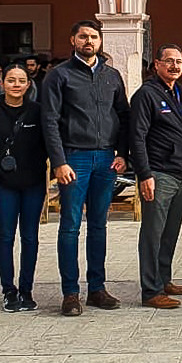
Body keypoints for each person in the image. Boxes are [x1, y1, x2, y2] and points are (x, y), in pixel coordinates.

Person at [41, 20, 130, 317]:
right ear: (73, 40)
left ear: (100, 41)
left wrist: (123, 154)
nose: (88, 41)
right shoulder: (59, 76)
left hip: (106, 159)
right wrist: (59, 161)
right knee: (70, 225)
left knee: (99, 225)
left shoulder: (111, 76)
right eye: (83, 37)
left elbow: (123, 116)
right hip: (74, 158)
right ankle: (70, 292)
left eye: (93, 37)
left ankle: (97, 288)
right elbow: (49, 121)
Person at [129, 44, 182, 309]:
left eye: (179, 61)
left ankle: (164, 279)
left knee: (169, 233)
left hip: (180, 174)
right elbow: (137, 137)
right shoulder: (146, 95)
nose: (175, 66)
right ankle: (151, 291)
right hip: (158, 174)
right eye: (169, 61)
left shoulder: (179, 91)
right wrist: (145, 174)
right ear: (157, 64)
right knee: (153, 235)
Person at [0, 64, 47, 313]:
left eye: (21, 81)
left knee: (30, 237)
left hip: (33, 183)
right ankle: (8, 290)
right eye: (11, 80)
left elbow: (48, 143)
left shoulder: (37, 111)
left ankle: (26, 289)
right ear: (2, 83)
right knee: (6, 236)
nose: (16, 85)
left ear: (29, 84)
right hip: (3, 184)